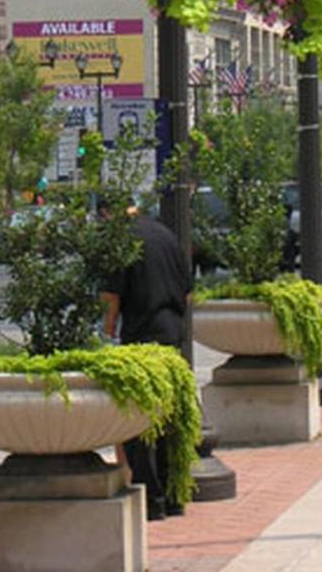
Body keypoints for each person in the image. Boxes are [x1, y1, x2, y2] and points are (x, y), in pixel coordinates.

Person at [100, 205, 191, 520]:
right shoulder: (167, 236)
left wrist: (108, 333)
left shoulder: (123, 241)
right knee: (167, 418)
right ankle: (173, 497)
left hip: (141, 336)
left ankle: (151, 498)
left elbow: (111, 297)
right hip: (172, 334)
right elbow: (188, 293)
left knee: (136, 421)